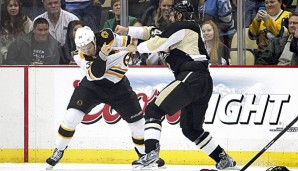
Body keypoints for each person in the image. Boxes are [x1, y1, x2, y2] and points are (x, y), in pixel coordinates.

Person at [115, 1, 237, 170]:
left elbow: (155, 43)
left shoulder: (182, 26)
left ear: (180, 15)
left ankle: (150, 153)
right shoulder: (185, 30)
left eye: (172, 13)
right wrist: (128, 30)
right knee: (191, 129)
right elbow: (153, 32)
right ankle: (222, 158)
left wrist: (134, 48)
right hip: (203, 81)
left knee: (153, 109)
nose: (169, 16)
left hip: (191, 77)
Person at [45, 26, 165, 169]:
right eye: (82, 48)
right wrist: (102, 54)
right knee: (71, 117)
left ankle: (145, 156)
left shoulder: (109, 39)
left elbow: (134, 41)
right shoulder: (78, 55)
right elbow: (96, 74)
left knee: (138, 126)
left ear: (94, 41)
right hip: (92, 87)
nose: (86, 50)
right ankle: (59, 150)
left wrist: (154, 40)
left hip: (119, 88)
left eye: (88, 46)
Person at [248, 0, 291, 65]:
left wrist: (268, 20)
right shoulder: (262, 16)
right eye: (266, 3)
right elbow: (252, 35)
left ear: (280, 2)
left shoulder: (288, 16)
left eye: (272, 2)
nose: (269, 5)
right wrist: (256, 21)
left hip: (281, 55)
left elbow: (284, 35)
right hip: (262, 56)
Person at [0, 0, 33, 64]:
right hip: (5, 56)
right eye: (10, 6)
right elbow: (1, 43)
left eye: (15, 5)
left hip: (22, 57)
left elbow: (31, 40)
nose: (13, 8)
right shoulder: (2, 22)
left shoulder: (26, 22)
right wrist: (5, 53)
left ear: (19, 7)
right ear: (6, 7)